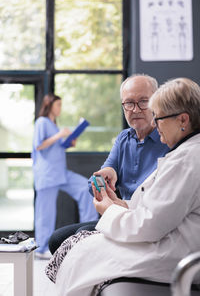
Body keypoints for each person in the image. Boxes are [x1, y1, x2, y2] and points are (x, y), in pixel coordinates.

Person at [46, 77, 200, 296]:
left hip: (165, 245)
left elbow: (151, 223)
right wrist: (118, 202)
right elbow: (153, 206)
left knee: (82, 248)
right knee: (76, 245)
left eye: (157, 115)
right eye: (129, 103)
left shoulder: (184, 158)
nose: (155, 123)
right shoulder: (134, 142)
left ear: (183, 119)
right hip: (141, 223)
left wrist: (112, 209)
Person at [48, 74, 169, 254]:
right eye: (129, 103)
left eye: (143, 101)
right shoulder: (123, 139)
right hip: (119, 214)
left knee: (81, 236)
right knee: (56, 239)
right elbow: (93, 183)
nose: (135, 109)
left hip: (143, 218)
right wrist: (106, 174)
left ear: (156, 102)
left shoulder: (167, 139)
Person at [32, 94, 98, 258]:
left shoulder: (54, 125)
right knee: (45, 212)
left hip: (60, 172)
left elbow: (56, 147)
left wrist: (69, 142)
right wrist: (59, 135)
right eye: (58, 105)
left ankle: (88, 234)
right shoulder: (42, 122)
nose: (60, 108)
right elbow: (39, 146)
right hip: (47, 173)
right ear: (49, 105)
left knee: (85, 188)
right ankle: (41, 249)